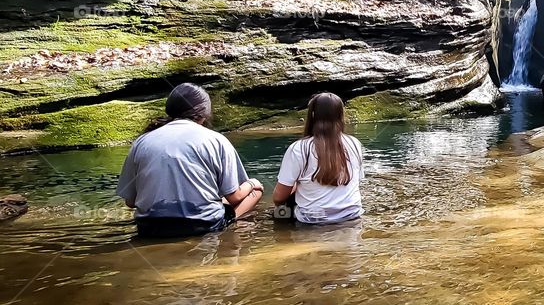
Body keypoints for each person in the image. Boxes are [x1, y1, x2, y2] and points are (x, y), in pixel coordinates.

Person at [116, 83, 263, 237]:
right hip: (201, 225)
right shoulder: (217, 140)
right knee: (256, 192)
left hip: (149, 227)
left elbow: (130, 202)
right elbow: (235, 196)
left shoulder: (141, 142)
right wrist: (252, 183)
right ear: (203, 114)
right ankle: (228, 229)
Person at [272, 92, 364, 224]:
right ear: (341, 116)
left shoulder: (299, 148)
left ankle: (284, 238)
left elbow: (278, 198)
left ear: (312, 115)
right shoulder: (355, 144)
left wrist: (296, 187)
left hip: (313, 220)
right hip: (352, 215)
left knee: (279, 212)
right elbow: (355, 182)